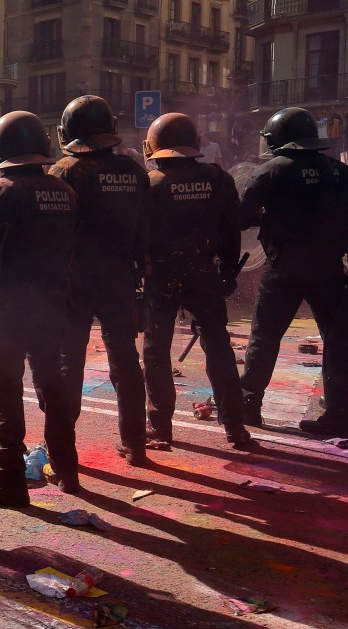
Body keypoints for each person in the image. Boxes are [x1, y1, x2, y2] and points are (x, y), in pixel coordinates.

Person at [0, 111, 81, 508]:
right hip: (53, 302)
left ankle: (9, 476)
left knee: (6, 387)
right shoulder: (65, 192)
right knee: (52, 381)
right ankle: (66, 466)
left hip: (9, 306)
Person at [140, 113, 256, 450]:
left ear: (154, 146)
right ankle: (236, 428)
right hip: (205, 272)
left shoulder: (152, 184)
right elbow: (232, 230)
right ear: (196, 144)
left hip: (162, 276)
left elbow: (139, 238)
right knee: (218, 346)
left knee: (156, 350)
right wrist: (228, 273)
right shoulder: (218, 179)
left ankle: (160, 428)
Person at [48, 95, 151, 466]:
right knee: (125, 361)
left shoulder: (65, 172)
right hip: (120, 278)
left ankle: (63, 453)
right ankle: (135, 445)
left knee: (67, 363)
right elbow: (144, 231)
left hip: (73, 281)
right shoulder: (134, 171)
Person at [237, 107, 348, 435]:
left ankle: (248, 405)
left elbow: (240, 218)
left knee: (265, 336)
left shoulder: (270, 171)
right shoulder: (338, 171)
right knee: (337, 340)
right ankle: (339, 413)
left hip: (284, 268)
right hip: (329, 268)